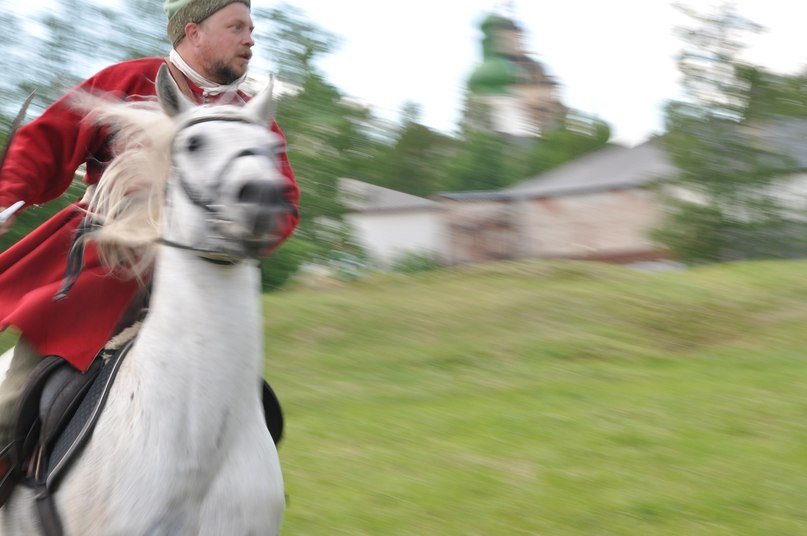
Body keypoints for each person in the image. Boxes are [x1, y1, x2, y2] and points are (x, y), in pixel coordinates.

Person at [0, 0, 300, 503]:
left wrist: (245, 237)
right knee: (17, 394)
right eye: (237, 27)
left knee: (249, 405)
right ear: (194, 32)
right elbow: (46, 143)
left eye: (251, 28)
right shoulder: (128, 79)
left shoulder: (251, 119)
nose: (251, 39)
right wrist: (8, 197)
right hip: (105, 266)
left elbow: (283, 202)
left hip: (203, 280)